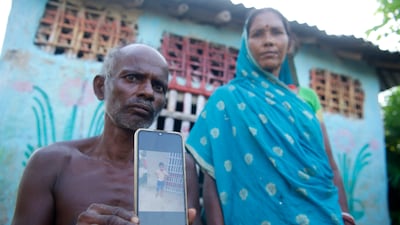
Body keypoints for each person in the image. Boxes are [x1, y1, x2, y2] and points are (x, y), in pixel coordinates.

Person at [186, 8, 355, 225]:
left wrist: (345, 214)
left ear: (288, 41)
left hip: (319, 216)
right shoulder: (226, 100)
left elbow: (330, 166)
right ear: (246, 44)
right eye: (257, 34)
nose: (268, 41)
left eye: (276, 32)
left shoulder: (304, 102)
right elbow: (213, 178)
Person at [11, 43, 201, 225]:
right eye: (133, 78)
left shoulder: (180, 167)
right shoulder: (51, 163)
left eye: (159, 87)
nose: (148, 92)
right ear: (101, 87)